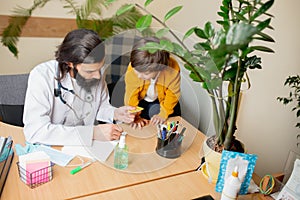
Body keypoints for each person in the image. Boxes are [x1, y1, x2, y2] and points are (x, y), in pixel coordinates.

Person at [23, 29, 136, 146]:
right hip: (53, 147)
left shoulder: (96, 72)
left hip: (86, 148)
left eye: (100, 68)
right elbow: (35, 132)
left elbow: (100, 107)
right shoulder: (42, 75)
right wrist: (92, 133)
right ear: (70, 64)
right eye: (90, 71)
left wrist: (115, 113)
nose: (98, 76)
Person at [124, 37, 181, 129]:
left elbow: (173, 94)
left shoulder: (172, 69)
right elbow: (131, 95)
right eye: (137, 71)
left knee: (169, 129)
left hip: (167, 102)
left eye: (145, 73)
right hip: (143, 102)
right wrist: (134, 116)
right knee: (144, 128)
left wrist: (164, 114)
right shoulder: (133, 69)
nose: (139, 76)